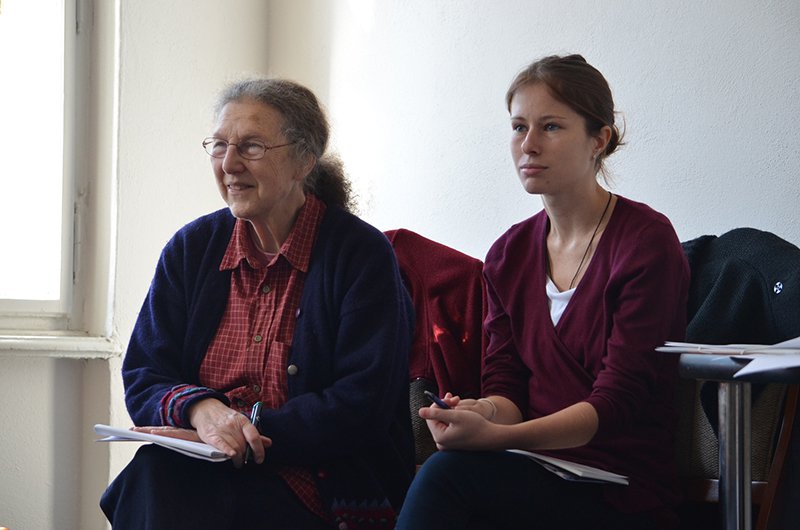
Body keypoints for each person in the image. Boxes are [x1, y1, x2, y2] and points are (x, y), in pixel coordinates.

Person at [100, 77, 415, 530]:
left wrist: (244, 429)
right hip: (204, 472)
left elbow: (363, 404)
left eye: (251, 147)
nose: (229, 164)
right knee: (152, 472)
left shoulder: (360, 255)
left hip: (320, 486)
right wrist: (202, 411)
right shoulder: (192, 248)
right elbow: (144, 374)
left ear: (303, 159)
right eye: (219, 145)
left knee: (164, 489)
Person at [396, 54, 690, 530]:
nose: (528, 145)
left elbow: (618, 403)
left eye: (550, 127)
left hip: (620, 487)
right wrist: (481, 412)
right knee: (443, 474)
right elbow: (507, 388)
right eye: (518, 127)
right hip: (536, 471)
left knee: (446, 477)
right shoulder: (507, 254)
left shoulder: (645, 241)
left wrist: (495, 437)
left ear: (599, 140)